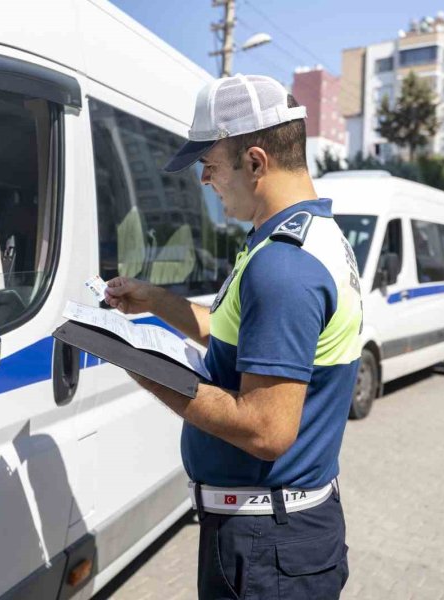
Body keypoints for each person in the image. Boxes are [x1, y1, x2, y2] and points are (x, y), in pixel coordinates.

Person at [105, 74, 362, 600]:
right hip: (278, 537)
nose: (204, 180)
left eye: (210, 165)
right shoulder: (306, 237)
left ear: (255, 162)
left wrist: (141, 365)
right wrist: (156, 301)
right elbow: (240, 338)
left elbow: (267, 430)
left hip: (266, 547)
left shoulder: (283, 266)